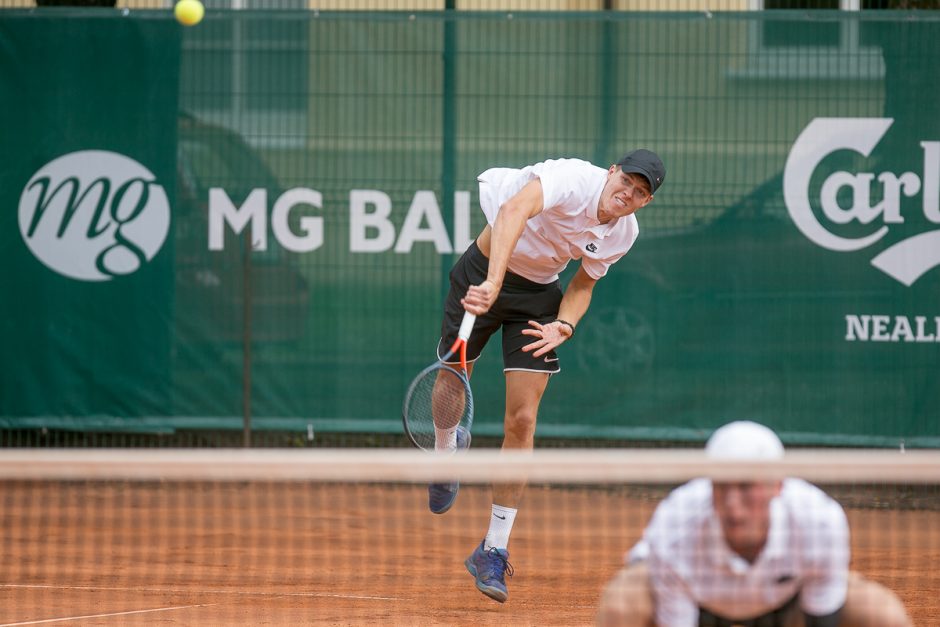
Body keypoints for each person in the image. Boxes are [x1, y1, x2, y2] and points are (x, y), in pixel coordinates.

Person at [427, 150, 666, 604]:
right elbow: (514, 210)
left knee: (523, 420)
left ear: (645, 202)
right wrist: (494, 282)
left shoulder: (624, 232)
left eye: (640, 193)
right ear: (612, 171)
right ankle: (445, 451)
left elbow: (583, 284)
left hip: (537, 300)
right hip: (483, 271)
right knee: (451, 381)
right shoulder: (573, 179)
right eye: (627, 181)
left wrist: (565, 325)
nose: (628, 194)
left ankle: (492, 549)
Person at [596, 420, 913, 627]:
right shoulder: (676, 525)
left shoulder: (819, 522)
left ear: (777, 485)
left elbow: (822, 618)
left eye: (747, 487)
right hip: (700, 606)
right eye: (722, 486)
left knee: (882, 614)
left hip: (788, 608)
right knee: (624, 600)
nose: (734, 504)